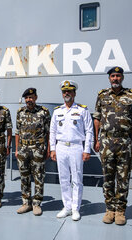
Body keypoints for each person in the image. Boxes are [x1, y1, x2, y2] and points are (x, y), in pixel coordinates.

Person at [93, 66, 132, 225]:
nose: (115, 78)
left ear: (122, 78)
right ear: (109, 78)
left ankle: (120, 211)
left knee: (123, 178)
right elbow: (97, 119)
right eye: (113, 76)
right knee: (108, 178)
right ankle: (109, 209)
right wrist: (96, 139)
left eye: (118, 76)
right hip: (107, 143)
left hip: (125, 144)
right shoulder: (102, 95)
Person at [49, 80, 93, 221]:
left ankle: (75, 208)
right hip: (61, 147)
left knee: (77, 179)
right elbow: (52, 131)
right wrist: (52, 149)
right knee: (63, 179)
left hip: (76, 147)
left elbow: (89, 131)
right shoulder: (57, 111)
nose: (66, 93)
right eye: (64, 91)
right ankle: (67, 207)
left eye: (69, 91)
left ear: (74, 93)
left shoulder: (82, 110)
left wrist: (87, 150)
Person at [15, 88, 51, 216]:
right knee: (24, 176)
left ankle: (36, 204)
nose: (29, 100)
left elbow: (48, 132)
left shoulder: (43, 112)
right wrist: (16, 149)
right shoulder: (20, 112)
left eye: (31, 97)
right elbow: (17, 132)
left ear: (36, 97)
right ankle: (26, 203)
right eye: (27, 98)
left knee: (38, 176)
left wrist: (48, 148)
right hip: (23, 149)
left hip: (38, 148)